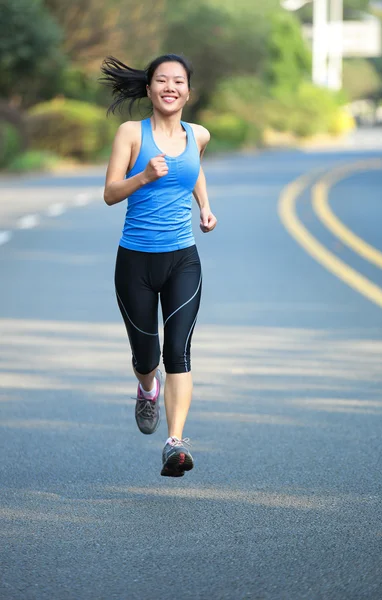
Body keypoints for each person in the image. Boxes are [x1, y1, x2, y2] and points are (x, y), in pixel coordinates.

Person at [100, 54, 217, 477]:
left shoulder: (197, 134)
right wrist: (144, 177)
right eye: (162, 81)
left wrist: (204, 206)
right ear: (149, 89)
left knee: (178, 351)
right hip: (135, 260)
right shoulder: (131, 133)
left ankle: (175, 442)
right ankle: (146, 387)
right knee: (147, 355)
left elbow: (194, 169)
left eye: (178, 81)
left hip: (183, 258)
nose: (170, 87)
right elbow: (111, 193)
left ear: (188, 91)